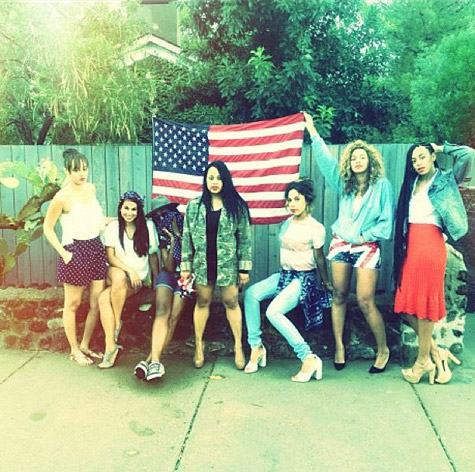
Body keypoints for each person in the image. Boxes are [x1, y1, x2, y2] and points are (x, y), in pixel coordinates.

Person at [303, 111, 394, 373]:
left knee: (365, 300)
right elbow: (326, 161)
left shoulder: (382, 186)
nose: (357, 161)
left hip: (367, 247)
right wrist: (313, 131)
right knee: (339, 295)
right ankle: (339, 347)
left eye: (362, 157)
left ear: (370, 161)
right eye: (353, 158)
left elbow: (386, 221)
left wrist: (365, 236)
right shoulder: (344, 184)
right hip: (341, 244)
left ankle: (383, 349)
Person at [393, 142, 473, 384]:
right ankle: (436, 353)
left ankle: (422, 361)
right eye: (414, 159)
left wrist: (441, 147)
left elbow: (468, 154)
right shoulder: (412, 183)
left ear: (432, 157)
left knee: (425, 305)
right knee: (406, 306)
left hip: (430, 244)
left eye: (422, 157)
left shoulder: (445, 180)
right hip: (412, 244)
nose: (418, 163)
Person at [244, 179, 332, 382]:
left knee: (273, 311)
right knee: (251, 294)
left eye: (297, 199)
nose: (292, 204)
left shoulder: (316, 227)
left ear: (307, 200)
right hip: (284, 275)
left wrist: (326, 282)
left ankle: (308, 357)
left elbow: (319, 258)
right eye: (289, 200)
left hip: (304, 278)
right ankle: (256, 347)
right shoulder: (286, 223)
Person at [180, 161, 252, 370]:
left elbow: (244, 238)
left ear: (225, 180)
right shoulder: (194, 206)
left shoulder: (236, 206)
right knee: (203, 301)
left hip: (228, 264)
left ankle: (238, 346)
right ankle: (199, 346)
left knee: (231, 301)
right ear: (205, 180)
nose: (214, 182)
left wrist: (244, 268)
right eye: (210, 177)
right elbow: (186, 237)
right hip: (202, 264)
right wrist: (185, 265)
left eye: (219, 178)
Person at [43, 149, 109, 366]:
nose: (82, 174)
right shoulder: (62, 197)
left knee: (96, 302)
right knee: (73, 303)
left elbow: (97, 220)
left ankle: (86, 345)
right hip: (75, 250)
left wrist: (121, 220)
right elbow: (48, 228)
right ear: (67, 171)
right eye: (77, 170)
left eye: (85, 169)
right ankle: (74, 350)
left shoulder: (91, 188)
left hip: (95, 247)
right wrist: (64, 253)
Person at [133, 196, 194, 381]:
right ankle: (155, 361)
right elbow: (168, 266)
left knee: (173, 317)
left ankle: (150, 361)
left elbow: (190, 259)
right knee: (161, 312)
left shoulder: (188, 228)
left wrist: (180, 237)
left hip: (186, 276)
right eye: (158, 215)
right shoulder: (161, 235)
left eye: (166, 212)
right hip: (168, 275)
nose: (163, 217)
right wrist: (172, 241)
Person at [97, 191, 159, 369]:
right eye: (126, 208)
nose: (129, 213)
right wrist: (129, 270)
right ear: (120, 208)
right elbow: (111, 257)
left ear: (139, 210)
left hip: (136, 280)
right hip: (117, 272)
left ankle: (111, 347)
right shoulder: (113, 228)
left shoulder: (148, 227)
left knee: (103, 299)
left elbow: (152, 256)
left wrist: (155, 281)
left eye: (133, 209)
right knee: (118, 276)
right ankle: (117, 323)